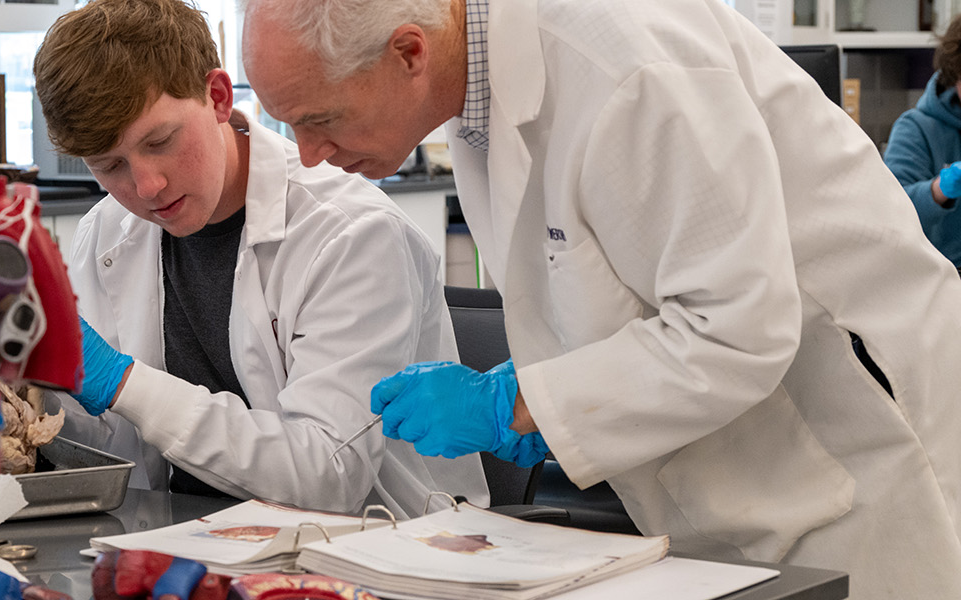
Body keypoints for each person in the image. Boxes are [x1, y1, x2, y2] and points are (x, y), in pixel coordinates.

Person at [243, 0, 961, 596]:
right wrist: (539, 396)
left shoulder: (625, 62)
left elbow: (739, 329)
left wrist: (519, 403)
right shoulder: (477, 96)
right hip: (721, 473)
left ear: (408, 53)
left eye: (320, 120)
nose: (308, 155)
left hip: (853, 444)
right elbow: (607, 281)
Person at [33, 0, 487, 517]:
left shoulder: (351, 233)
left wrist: (122, 381)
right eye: (110, 165)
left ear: (218, 97)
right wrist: (35, 395)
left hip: (374, 548)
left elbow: (328, 475)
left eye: (160, 141)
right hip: (184, 537)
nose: (145, 186)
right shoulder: (106, 232)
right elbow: (123, 450)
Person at [885, 13, 961, 269]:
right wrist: (939, 190)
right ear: (955, 73)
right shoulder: (916, 128)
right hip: (944, 282)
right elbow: (891, 214)